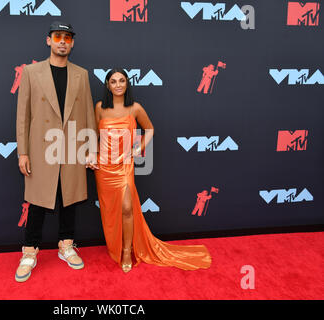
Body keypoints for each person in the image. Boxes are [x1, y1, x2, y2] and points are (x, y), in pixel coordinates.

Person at [92, 69, 212, 273]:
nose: (118, 84)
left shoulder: (135, 108)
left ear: (127, 83)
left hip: (124, 165)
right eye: (113, 81)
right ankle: (115, 247)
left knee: (127, 208)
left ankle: (128, 251)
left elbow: (150, 129)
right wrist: (92, 155)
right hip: (104, 167)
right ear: (107, 85)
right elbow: (96, 134)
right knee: (110, 210)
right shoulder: (100, 107)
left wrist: (138, 147)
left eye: (122, 80)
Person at [15, 21, 97, 282]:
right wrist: (23, 152)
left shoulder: (81, 74)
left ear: (72, 43)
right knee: (38, 200)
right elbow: (23, 115)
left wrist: (90, 149)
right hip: (41, 147)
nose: (63, 41)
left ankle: (66, 245)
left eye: (68, 38)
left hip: (72, 145)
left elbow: (87, 114)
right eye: (58, 36)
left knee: (69, 198)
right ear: (48, 40)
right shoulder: (31, 72)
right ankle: (29, 251)